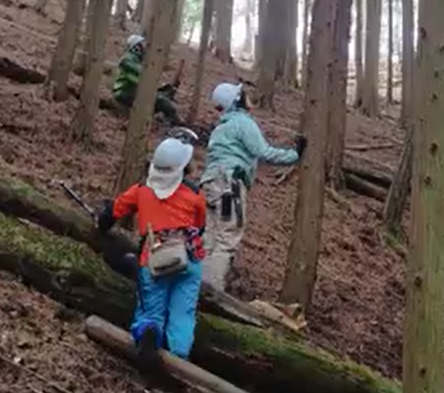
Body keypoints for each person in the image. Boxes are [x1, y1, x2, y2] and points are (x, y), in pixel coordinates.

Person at [96, 137, 207, 363]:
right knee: (183, 313)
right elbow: (200, 225)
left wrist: (102, 224)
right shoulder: (195, 194)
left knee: (150, 309)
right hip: (188, 257)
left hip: (154, 258)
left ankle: (148, 333)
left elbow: (114, 211)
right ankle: (179, 357)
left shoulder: (141, 190)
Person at [200, 82, 305, 291]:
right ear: (237, 100)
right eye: (243, 94)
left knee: (209, 237)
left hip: (210, 185)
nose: (248, 96)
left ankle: (198, 286)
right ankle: (211, 291)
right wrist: (295, 154)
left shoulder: (221, 127)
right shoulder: (243, 122)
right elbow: (263, 152)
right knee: (227, 237)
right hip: (229, 185)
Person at [113, 34, 182, 125]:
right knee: (162, 101)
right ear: (136, 47)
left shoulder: (137, 60)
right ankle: (177, 124)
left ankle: (166, 119)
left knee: (165, 94)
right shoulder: (127, 59)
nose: (145, 48)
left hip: (133, 90)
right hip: (124, 92)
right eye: (142, 45)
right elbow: (142, 74)